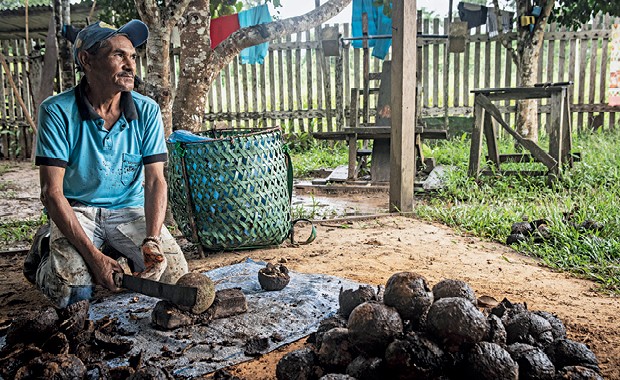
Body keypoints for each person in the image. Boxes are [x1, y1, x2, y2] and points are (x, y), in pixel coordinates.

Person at [27, 19, 188, 308]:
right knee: (73, 295)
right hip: (79, 210)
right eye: (118, 55)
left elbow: (155, 181)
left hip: (128, 209)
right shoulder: (56, 111)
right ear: (86, 60)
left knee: (173, 276)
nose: (130, 64)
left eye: (133, 56)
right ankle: (42, 257)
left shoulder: (146, 110)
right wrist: (93, 257)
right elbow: (51, 192)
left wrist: (152, 238)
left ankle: (112, 248)